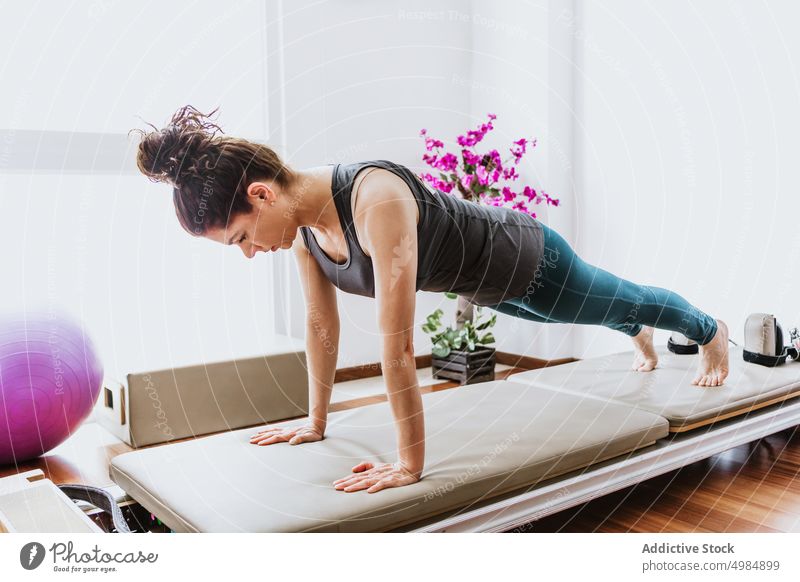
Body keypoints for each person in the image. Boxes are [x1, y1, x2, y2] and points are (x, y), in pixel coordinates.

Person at [132, 105, 730, 494]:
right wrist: (313, 423)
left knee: (606, 299)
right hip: (486, 285)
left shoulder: (374, 201)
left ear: (260, 196)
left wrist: (409, 464)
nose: (247, 253)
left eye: (239, 238)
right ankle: (634, 328)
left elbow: (398, 348)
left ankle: (707, 329)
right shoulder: (304, 229)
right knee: (600, 306)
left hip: (527, 259)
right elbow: (320, 326)